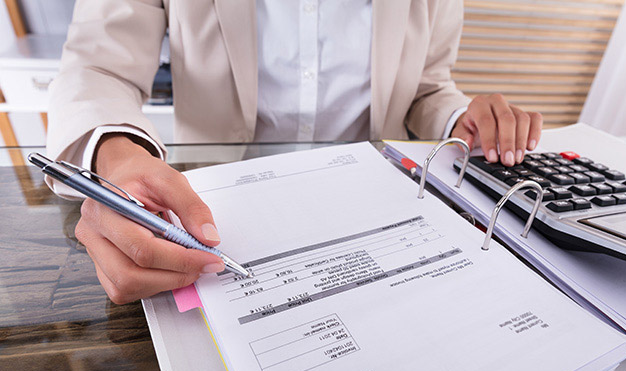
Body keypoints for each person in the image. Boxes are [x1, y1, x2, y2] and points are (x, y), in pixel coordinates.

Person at [46, 0, 542, 304]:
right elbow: (97, 68)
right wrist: (116, 155)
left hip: (374, 205)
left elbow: (427, 87)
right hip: (217, 204)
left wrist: (459, 119)